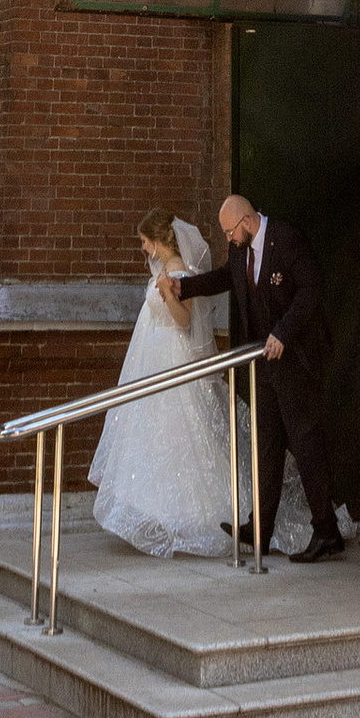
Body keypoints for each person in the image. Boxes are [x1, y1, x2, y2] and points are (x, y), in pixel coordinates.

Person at [169, 190, 344, 564]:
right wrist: (186, 287)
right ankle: (259, 530)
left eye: (230, 231)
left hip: (296, 359)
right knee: (266, 447)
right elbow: (225, 278)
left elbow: (311, 290)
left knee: (306, 443)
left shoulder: (289, 240)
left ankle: (327, 531)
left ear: (247, 221)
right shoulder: (239, 250)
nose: (228, 239)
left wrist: (284, 332)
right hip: (263, 363)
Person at [89, 213, 235, 556]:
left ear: (157, 241)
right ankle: (152, 512)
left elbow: (184, 321)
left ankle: (183, 516)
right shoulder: (162, 269)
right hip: (149, 357)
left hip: (171, 355)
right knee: (149, 433)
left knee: (177, 433)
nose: (143, 248)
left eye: (144, 241)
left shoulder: (179, 272)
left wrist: (169, 294)